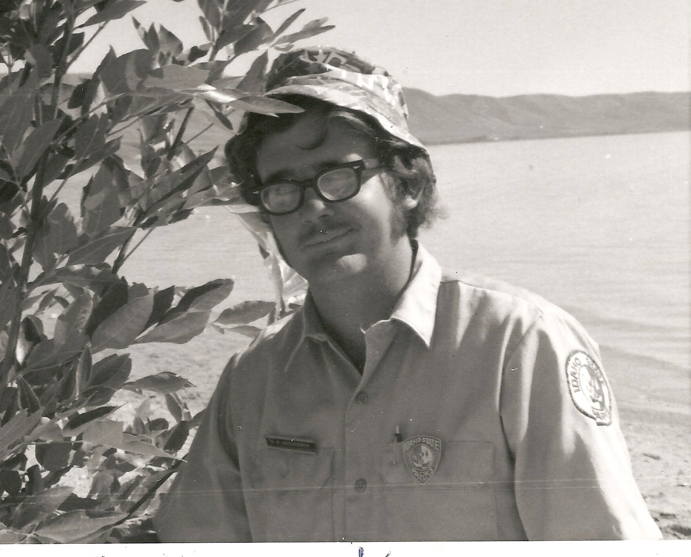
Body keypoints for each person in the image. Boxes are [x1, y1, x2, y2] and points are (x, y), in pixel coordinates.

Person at [152, 47, 662, 541]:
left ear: (407, 183)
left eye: (339, 176)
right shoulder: (254, 379)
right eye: (283, 189)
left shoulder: (520, 345)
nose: (313, 209)